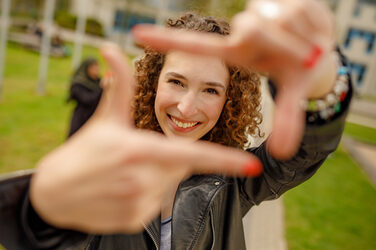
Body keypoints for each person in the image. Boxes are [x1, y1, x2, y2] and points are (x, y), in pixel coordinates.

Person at [0, 0, 352, 249]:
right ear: (154, 82)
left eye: (211, 89)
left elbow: (307, 151)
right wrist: (41, 206)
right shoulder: (107, 169)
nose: (186, 107)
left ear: (230, 100)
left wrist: (324, 83)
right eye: (176, 82)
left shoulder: (235, 183)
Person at [67, 58, 102, 137]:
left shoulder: (98, 81)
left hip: (95, 118)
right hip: (81, 118)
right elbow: (87, 99)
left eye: (97, 67)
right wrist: (101, 88)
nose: (96, 70)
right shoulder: (78, 84)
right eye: (93, 68)